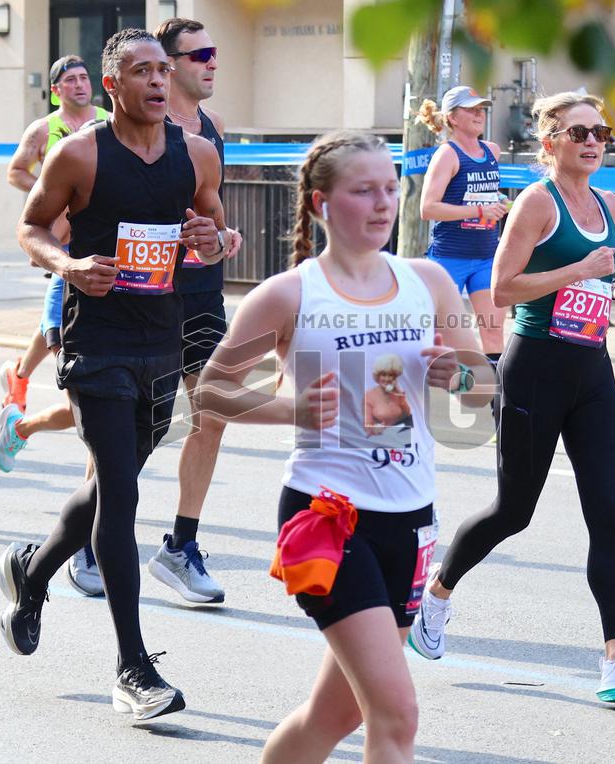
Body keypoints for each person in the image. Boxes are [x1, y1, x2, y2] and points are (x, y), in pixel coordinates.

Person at [196, 130, 494, 763]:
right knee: (397, 712)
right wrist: (293, 409)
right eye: (364, 191)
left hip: (410, 519)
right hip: (329, 517)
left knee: (335, 714)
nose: (384, 203)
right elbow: (210, 393)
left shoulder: (430, 282)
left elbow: (483, 389)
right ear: (321, 204)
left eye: (391, 188)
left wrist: (460, 376)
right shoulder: (289, 294)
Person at [409, 91, 615, 706]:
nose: (593, 141)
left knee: (606, 512)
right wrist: (580, 271)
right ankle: (436, 594)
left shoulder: (607, 202)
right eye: (579, 131)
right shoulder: (537, 202)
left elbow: (598, 281)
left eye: (601, 131)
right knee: (514, 511)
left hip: (592, 374)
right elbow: (504, 289)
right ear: (550, 141)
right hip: (533, 372)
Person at [0, 28, 226, 721]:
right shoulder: (80, 154)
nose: (159, 81)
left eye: (164, 69)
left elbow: (215, 226)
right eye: (142, 71)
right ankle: (132, 667)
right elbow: (30, 226)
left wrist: (214, 238)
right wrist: (67, 266)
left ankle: (30, 574)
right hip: (96, 344)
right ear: (113, 87)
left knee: (107, 488)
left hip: (164, 340)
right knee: (122, 499)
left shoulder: (197, 155)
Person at [144, 17, 243, 605]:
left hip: (202, 292)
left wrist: (224, 236)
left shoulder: (211, 130)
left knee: (212, 412)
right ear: (169, 63)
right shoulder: (131, 130)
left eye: (214, 53)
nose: (211, 63)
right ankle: (85, 539)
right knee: (137, 427)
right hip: (142, 295)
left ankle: (181, 545)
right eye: (201, 53)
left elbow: (214, 207)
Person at [0, 54, 110, 414]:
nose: (80, 84)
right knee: (62, 302)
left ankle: (20, 373)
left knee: (60, 307)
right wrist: (50, 193)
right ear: (55, 91)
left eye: (84, 77)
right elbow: (16, 171)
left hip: (100, 228)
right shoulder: (44, 128)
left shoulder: (108, 122)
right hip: (61, 233)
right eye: (71, 80)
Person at [417, 85, 509, 423]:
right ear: (452, 118)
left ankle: (496, 413)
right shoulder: (448, 155)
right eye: (471, 109)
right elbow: (428, 208)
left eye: (482, 108)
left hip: (486, 256)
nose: (479, 114)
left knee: (493, 329)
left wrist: (499, 205)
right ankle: (409, 403)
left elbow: (483, 195)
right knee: (431, 334)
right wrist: (478, 211)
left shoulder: (493, 151)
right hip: (449, 260)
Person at [363, 354, 412, 436]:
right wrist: (374, 428)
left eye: (391, 375)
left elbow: (407, 414)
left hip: (402, 436)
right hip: (381, 438)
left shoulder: (397, 393)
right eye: (383, 375)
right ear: (377, 376)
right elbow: (366, 425)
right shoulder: (369, 395)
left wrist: (399, 393)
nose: (387, 379)